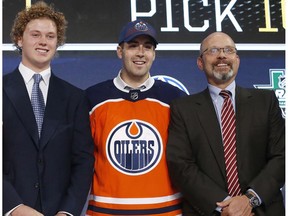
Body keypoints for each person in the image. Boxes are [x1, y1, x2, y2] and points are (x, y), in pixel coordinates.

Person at [166, 32, 285, 216]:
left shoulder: (266, 101)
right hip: (209, 212)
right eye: (213, 50)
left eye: (228, 50)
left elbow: (281, 157)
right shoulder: (183, 109)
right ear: (200, 62)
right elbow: (181, 165)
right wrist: (226, 206)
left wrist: (249, 199)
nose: (222, 55)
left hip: (262, 210)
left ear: (237, 59)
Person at [85, 20, 187, 215]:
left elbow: (186, 161)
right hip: (106, 211)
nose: (141, 53)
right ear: (119, 51)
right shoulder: (93, 98)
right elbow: (80, 160)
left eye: (147, 47)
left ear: (154, 54)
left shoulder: (175, 99)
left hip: (166, 211)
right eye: (133, 46)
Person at [3, 2, 94, 216]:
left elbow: (83, 161)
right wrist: (14, 207)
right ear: (19, 39)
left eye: (51, 36)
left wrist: (68, 211)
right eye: (35, 34)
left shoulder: (75, 98)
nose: (43, 42)